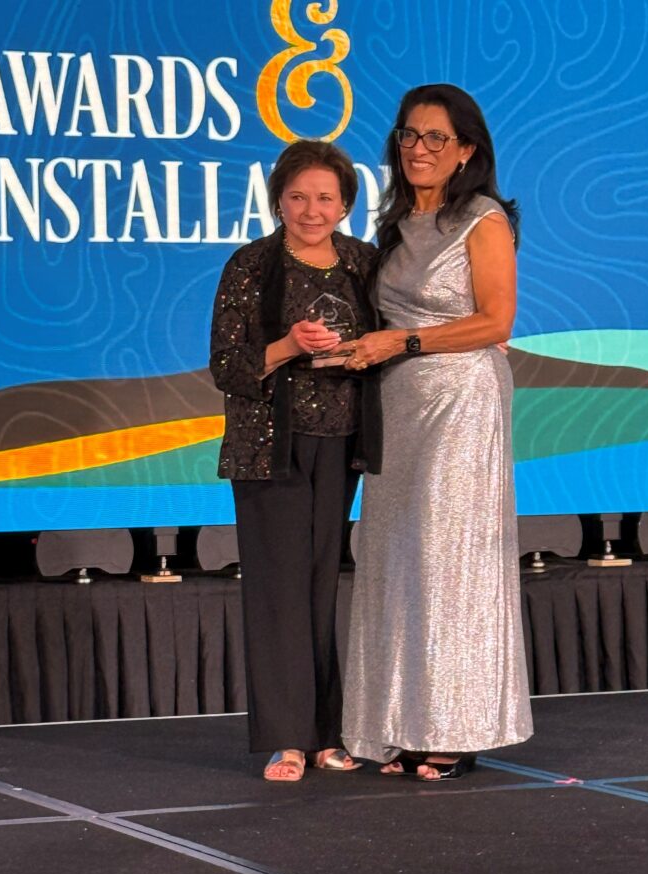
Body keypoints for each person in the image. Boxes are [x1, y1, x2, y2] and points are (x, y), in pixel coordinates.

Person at [341, 83, 533, 780]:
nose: (418, 149)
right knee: (396, 557)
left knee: (450, 558)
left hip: (460, 403)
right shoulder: (395, 226)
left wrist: (404, 342)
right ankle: (400, 723)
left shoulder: (482, 219)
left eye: (435, 138)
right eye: (409, 135)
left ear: (466, 151)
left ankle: (456, 726)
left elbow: (496, 321)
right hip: (397, 405)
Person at [209, 140, 381, 781]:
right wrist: (286, 345)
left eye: (326, 198)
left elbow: (398, 333)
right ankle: (287, 739)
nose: (312, 210)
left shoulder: (364, 263)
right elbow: (227, 366)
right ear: (278, 200)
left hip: (343, 443)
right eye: (299, 197)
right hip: (269, 448)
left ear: (346, 204)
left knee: (321, 584)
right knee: (279, 588)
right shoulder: (252, 264)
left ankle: (326, 735)